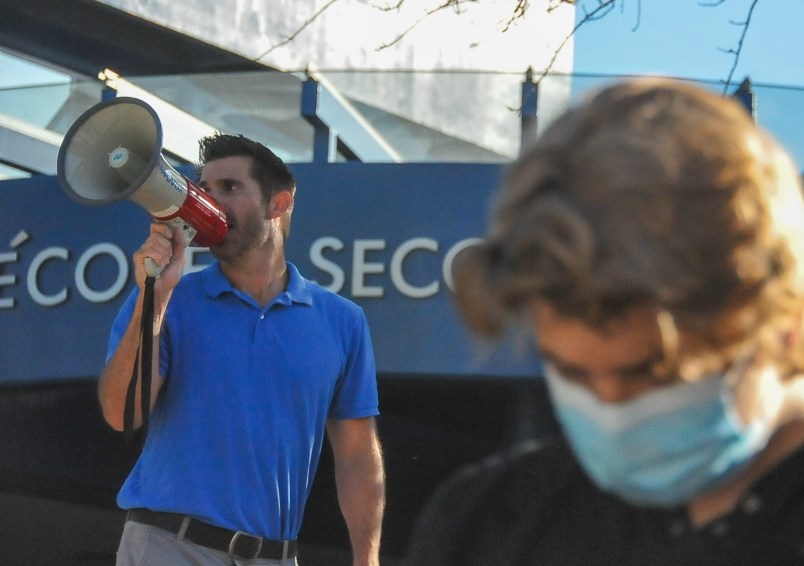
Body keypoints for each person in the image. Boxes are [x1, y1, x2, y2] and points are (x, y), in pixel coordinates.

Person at [405, 78, 804, 565]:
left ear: (785, 322)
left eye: (654, 374)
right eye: (572, 373)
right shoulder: (484, 523)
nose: (611, 413)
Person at [99, 133, 385, 566]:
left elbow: (357, 455)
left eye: (230, 188)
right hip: (167, 546)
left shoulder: (342, 321)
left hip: (276, 557)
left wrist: (368, 559)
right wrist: (153, 296)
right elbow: (122, 414)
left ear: (279, 204)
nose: (210, 203)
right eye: (204, 189)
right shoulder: (166, 297)